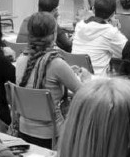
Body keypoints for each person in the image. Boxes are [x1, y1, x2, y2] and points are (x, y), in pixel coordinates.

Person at [15, 13, 91, 148]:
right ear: (54, 34)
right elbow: (85, 94)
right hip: (52, 136)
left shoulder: (20, 60)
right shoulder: (56, 64)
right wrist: (86, 78)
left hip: (23, 131)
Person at [71, 0, 127, 75]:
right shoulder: (110, 31)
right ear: (112, 14)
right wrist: (115, 29)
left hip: (75, 80)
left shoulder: (79, 26)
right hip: (97, 83)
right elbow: (126, 52)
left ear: (93, 9)